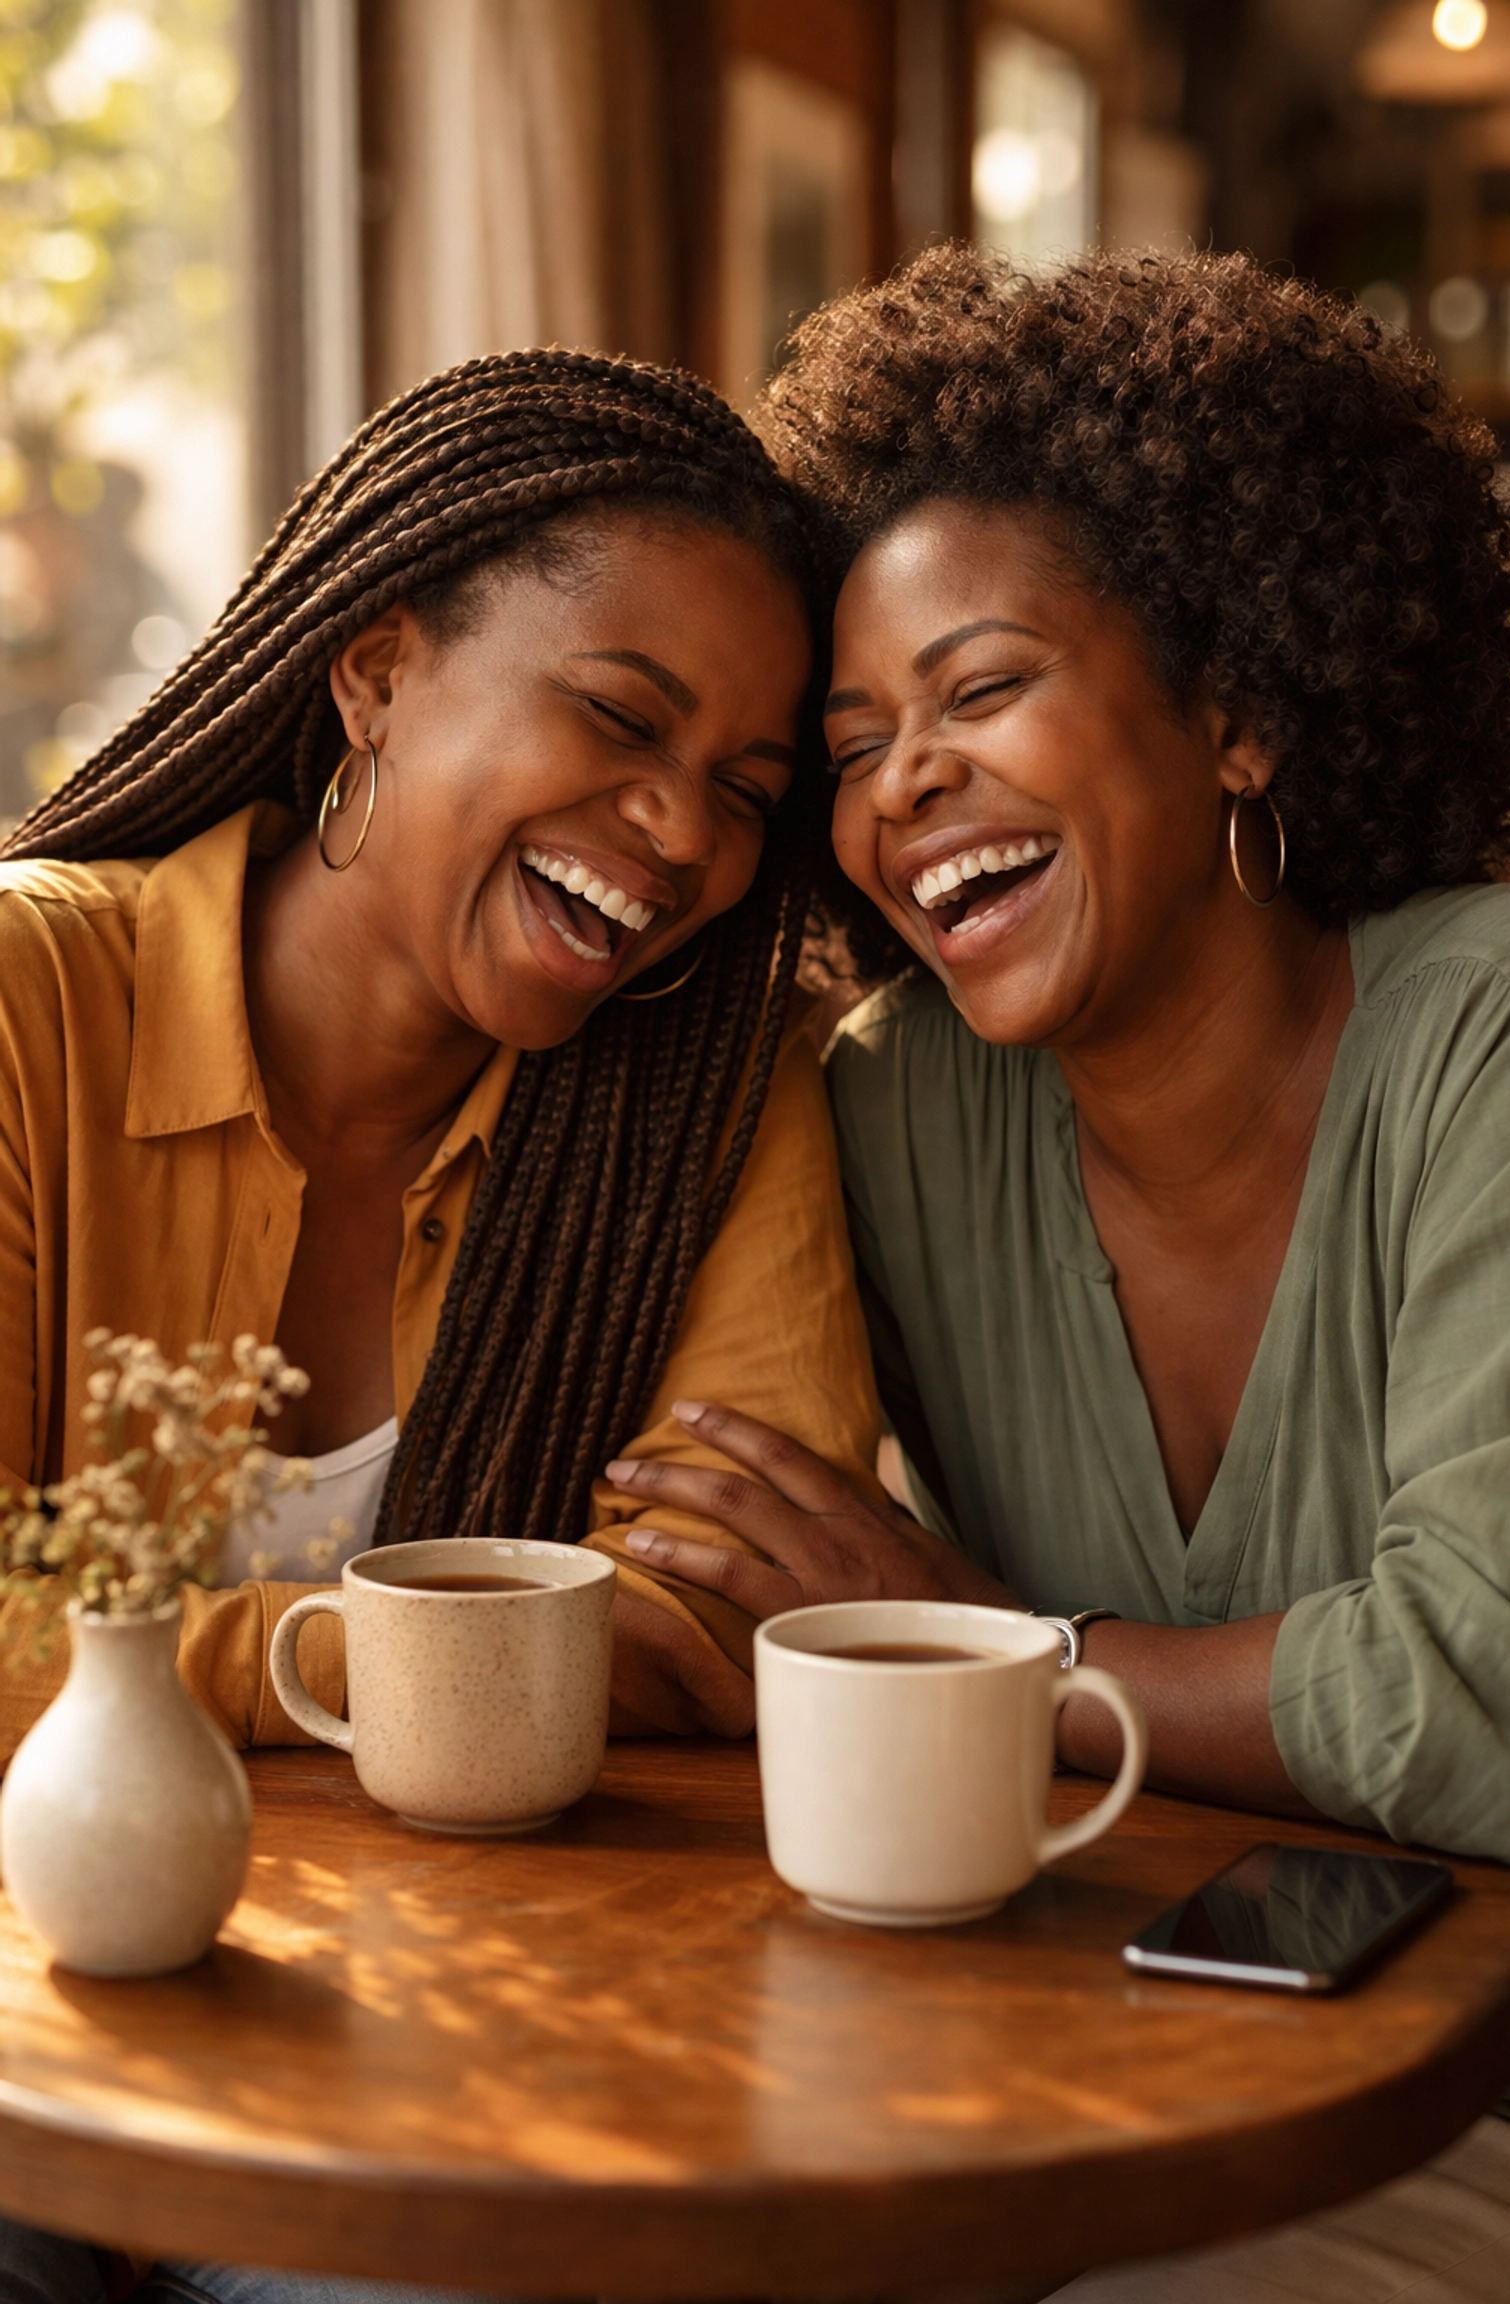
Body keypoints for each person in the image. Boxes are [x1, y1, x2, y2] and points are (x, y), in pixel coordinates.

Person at [603, 250, 1510, 2299]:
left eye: (983, 689)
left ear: (1241, 711)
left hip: (1477, 2108)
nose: (901, 784)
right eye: (849, 743)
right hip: (1118, 2068)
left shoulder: (1502, 1040)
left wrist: (985, 1643)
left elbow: (1492, 1690)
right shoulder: (896, 1113)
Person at [0, 349, 879, 2303]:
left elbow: (736, 1613)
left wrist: (127, 1659)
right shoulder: (26, 1003)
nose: (677, 839)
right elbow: (629, 1644)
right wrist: (448, 1666)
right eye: (616, 716)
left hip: (452, 2042)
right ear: (377, 670)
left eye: (744, 793)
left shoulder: (719, 1107)